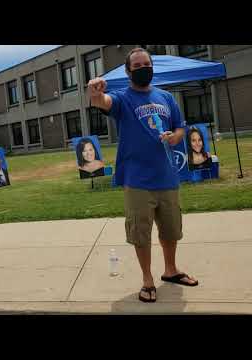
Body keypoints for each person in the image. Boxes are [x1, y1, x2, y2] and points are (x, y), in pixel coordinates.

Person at [88, 48, 198, 303]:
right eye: (136, 66)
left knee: (171, 230)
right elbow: (102, 102)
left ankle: (170, 271)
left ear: (152, 66)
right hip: (137, 180)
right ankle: (148, 280)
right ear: (128, 71)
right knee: (141, 232)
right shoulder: (122, 98)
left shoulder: (167, 97)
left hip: (167, 176)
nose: (142, 68)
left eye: (146, 64)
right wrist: (94, 92)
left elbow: (180, 128)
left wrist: (175, 137)